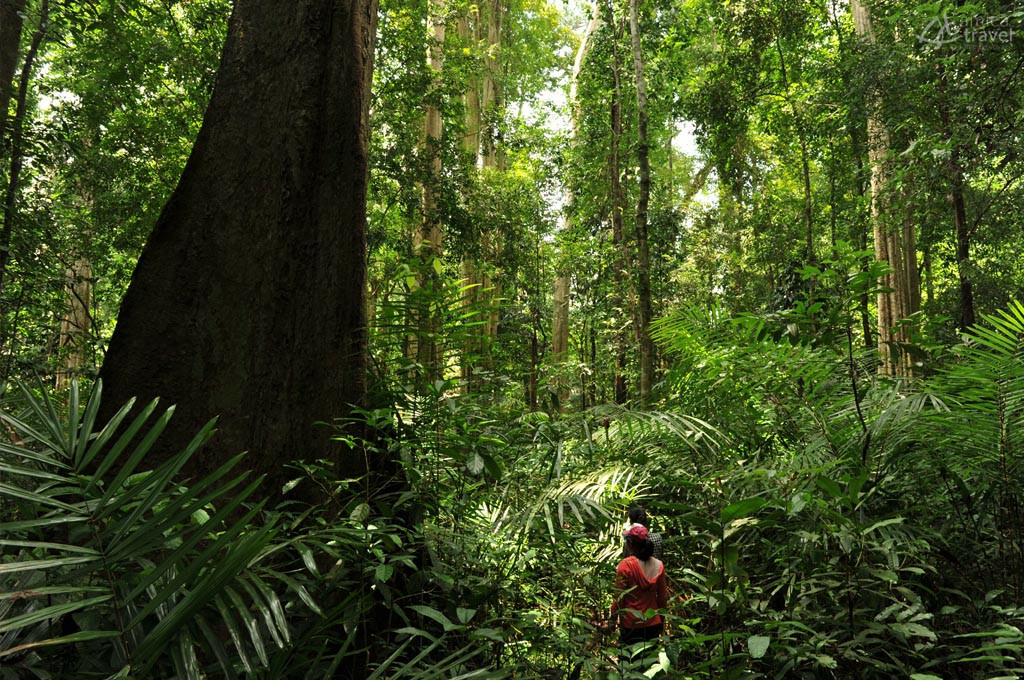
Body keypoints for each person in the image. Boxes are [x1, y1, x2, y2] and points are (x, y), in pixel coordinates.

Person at [610, 524, 668, 652]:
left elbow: (619, 597)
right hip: (653, 622)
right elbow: (663, 597)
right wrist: (661, 620)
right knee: (650, 660)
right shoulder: (659, 565)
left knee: (629, 659)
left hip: (631, 623)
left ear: (630, 544)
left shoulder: (625, 565)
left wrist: (612, 621)